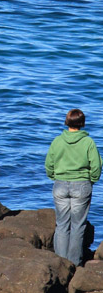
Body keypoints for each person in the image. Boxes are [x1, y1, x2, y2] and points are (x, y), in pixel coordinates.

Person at [45, 109, 102, 265]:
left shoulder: (57, 141)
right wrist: (92, 180)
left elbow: (49, 164)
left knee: (62, 224)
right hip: (82, 185)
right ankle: (74, 264)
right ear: (82, 123)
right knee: (78, 226)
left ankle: (61, 263)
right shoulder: (88, 142)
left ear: (66, 122)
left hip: (60, 185)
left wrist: (54, 177)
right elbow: (96, 166)